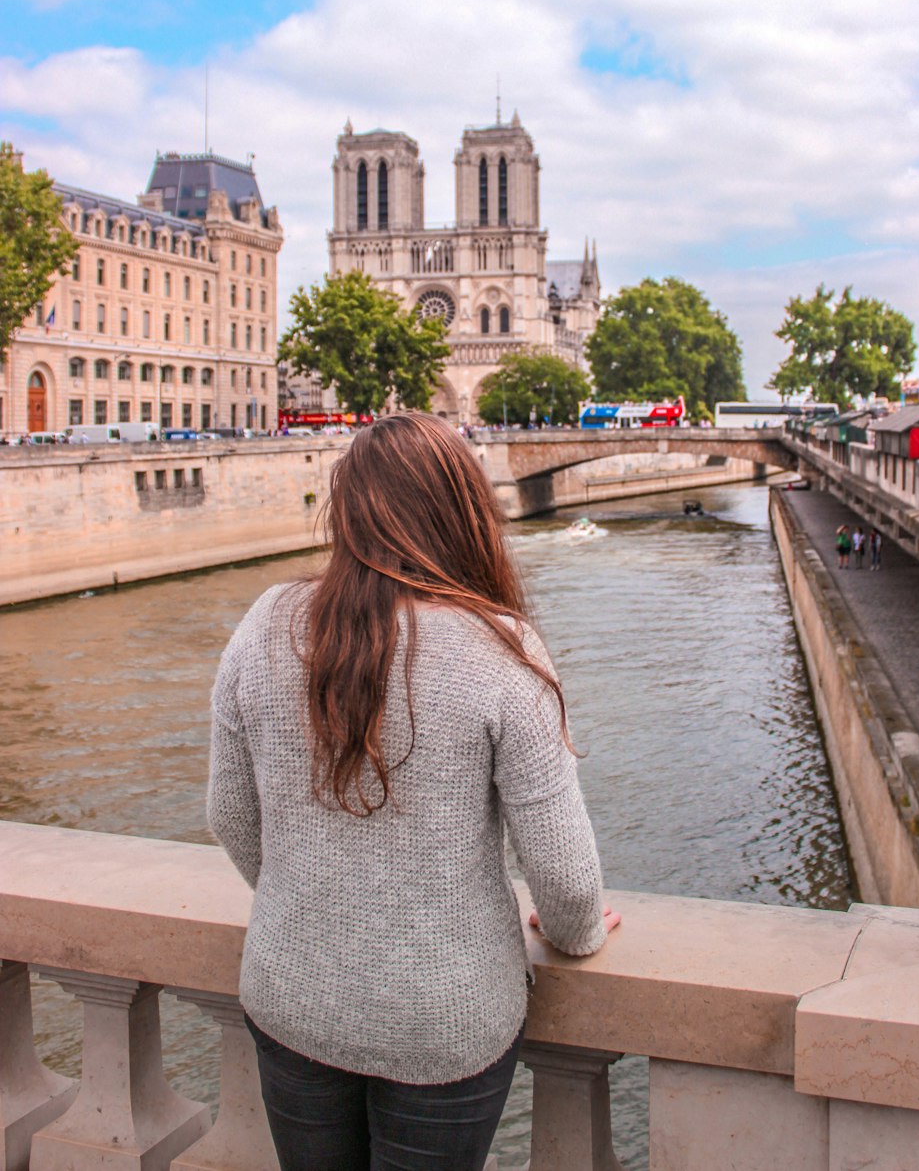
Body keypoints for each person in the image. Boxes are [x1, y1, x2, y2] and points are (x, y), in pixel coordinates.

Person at [208, 412, 619, 1171]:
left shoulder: (266, 622)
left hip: (292, 991)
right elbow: (564, 878)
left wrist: (316, 907)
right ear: (465, 511)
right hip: (445, 1017)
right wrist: (581, 934)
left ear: (348, 512)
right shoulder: (502, 648)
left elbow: (230, 815)